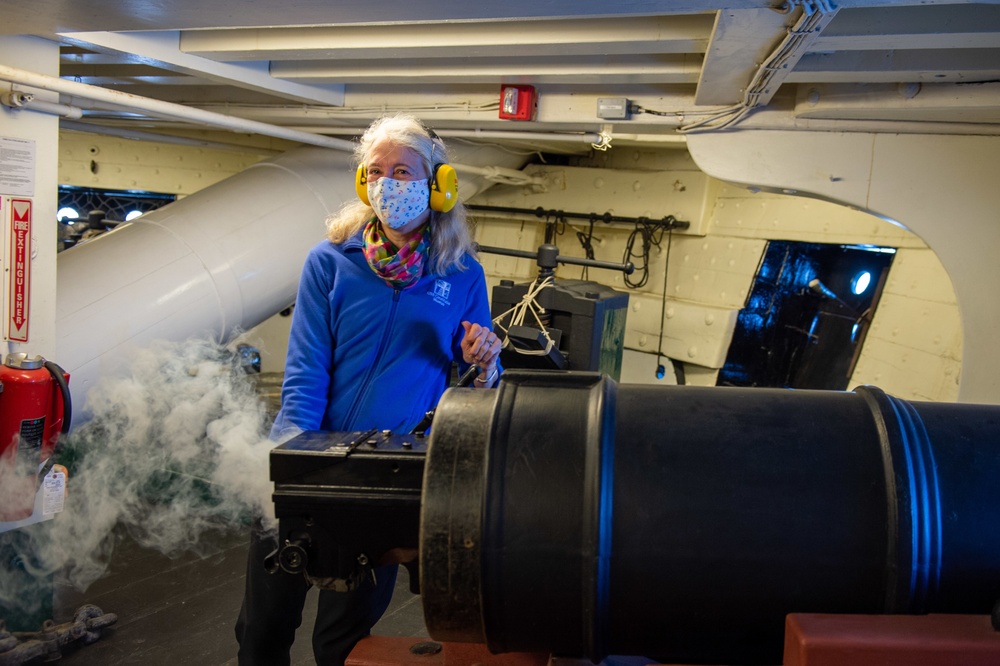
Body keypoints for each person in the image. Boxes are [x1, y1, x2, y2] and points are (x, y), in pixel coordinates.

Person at [235, 113, 502, 665]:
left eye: (402, 171)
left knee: (345, 641)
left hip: (387, 474)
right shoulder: (329, 261)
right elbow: (305, 371)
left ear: (437, 184)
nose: (387, 184)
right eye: (375, 171)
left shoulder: (462, 273)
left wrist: (481, 362)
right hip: (312, 459)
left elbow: (477, 384)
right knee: (262, 630)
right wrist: (288, 466)